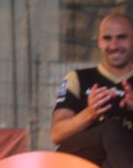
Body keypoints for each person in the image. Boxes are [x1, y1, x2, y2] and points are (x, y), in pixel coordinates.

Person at [51, 13, 133, 167]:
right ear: (98, 42)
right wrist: (90, 113)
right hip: (82, 156)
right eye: (107, 38)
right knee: (112, 128)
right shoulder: (78, 78)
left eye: (121, 37)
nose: (114, 45)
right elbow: (57, 134)